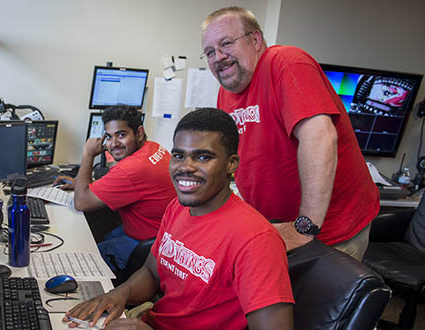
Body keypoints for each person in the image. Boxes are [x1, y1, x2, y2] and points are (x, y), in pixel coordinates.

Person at [64, 108, 294, 330]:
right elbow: (152, 272)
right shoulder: (178, 207)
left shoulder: (257, 241)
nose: (185, 167)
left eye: (203, 157)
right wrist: (118, 294)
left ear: (231, 164)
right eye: (178, 155)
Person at [201, 6, 380, 260]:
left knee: (306, 301)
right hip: (276, 227)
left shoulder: (286, 63)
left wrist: (305, 226)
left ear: (255, 40)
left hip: (328, 232)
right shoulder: (226, 93)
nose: (218, 57)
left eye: (226, 43)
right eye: (209, 52)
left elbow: (320, 137)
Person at [54, 106, 176, 273]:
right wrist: (81, 184)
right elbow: (122, 180)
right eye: (109, 137)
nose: (113, 143)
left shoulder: (132, 168)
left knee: (81, 258)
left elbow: (81, 203)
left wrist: (88, 154)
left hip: (147, 245)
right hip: (162, 234)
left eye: (121, 135)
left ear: (139, 133)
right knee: (100, 234)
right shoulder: (153, 147)